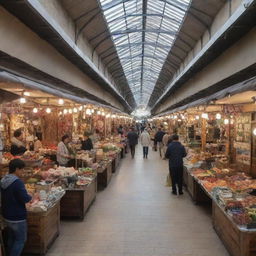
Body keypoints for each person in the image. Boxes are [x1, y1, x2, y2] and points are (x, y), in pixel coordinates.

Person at [1, 159, 32, 256]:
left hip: (6, 214)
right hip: (17, 216)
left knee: (12, 238)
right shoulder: (17, 182)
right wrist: (30, 196)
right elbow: (25, 198)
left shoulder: (3, 180)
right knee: (20, 240)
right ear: (17, 169)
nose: (23, 172)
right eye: (22, 170)